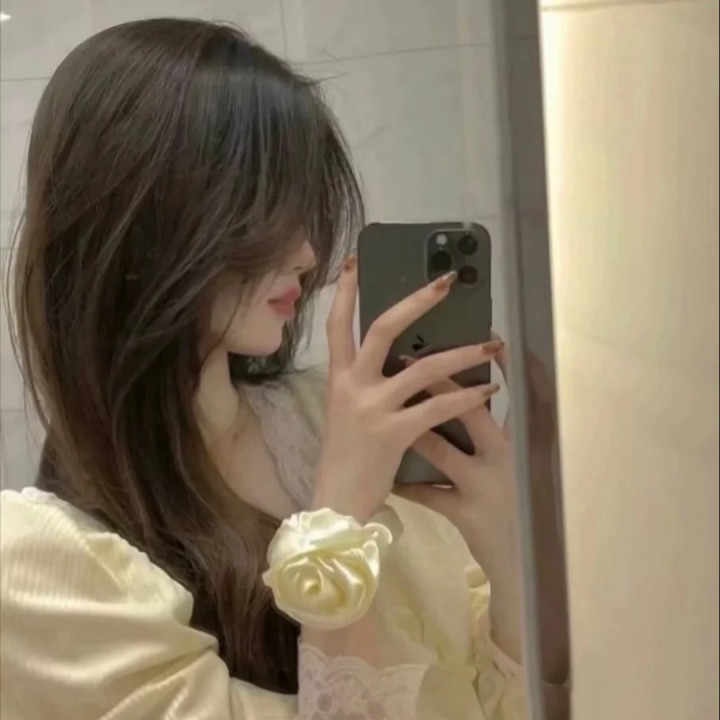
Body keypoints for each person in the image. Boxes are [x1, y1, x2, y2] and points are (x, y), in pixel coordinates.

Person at [0, 19, 568, 720]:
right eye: (259, 213)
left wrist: (513, 537)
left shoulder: (326, 415)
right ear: (147, 224)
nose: (306, 252)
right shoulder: (37, 564)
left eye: (302, 208)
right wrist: (340, 515)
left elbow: (509, 695)